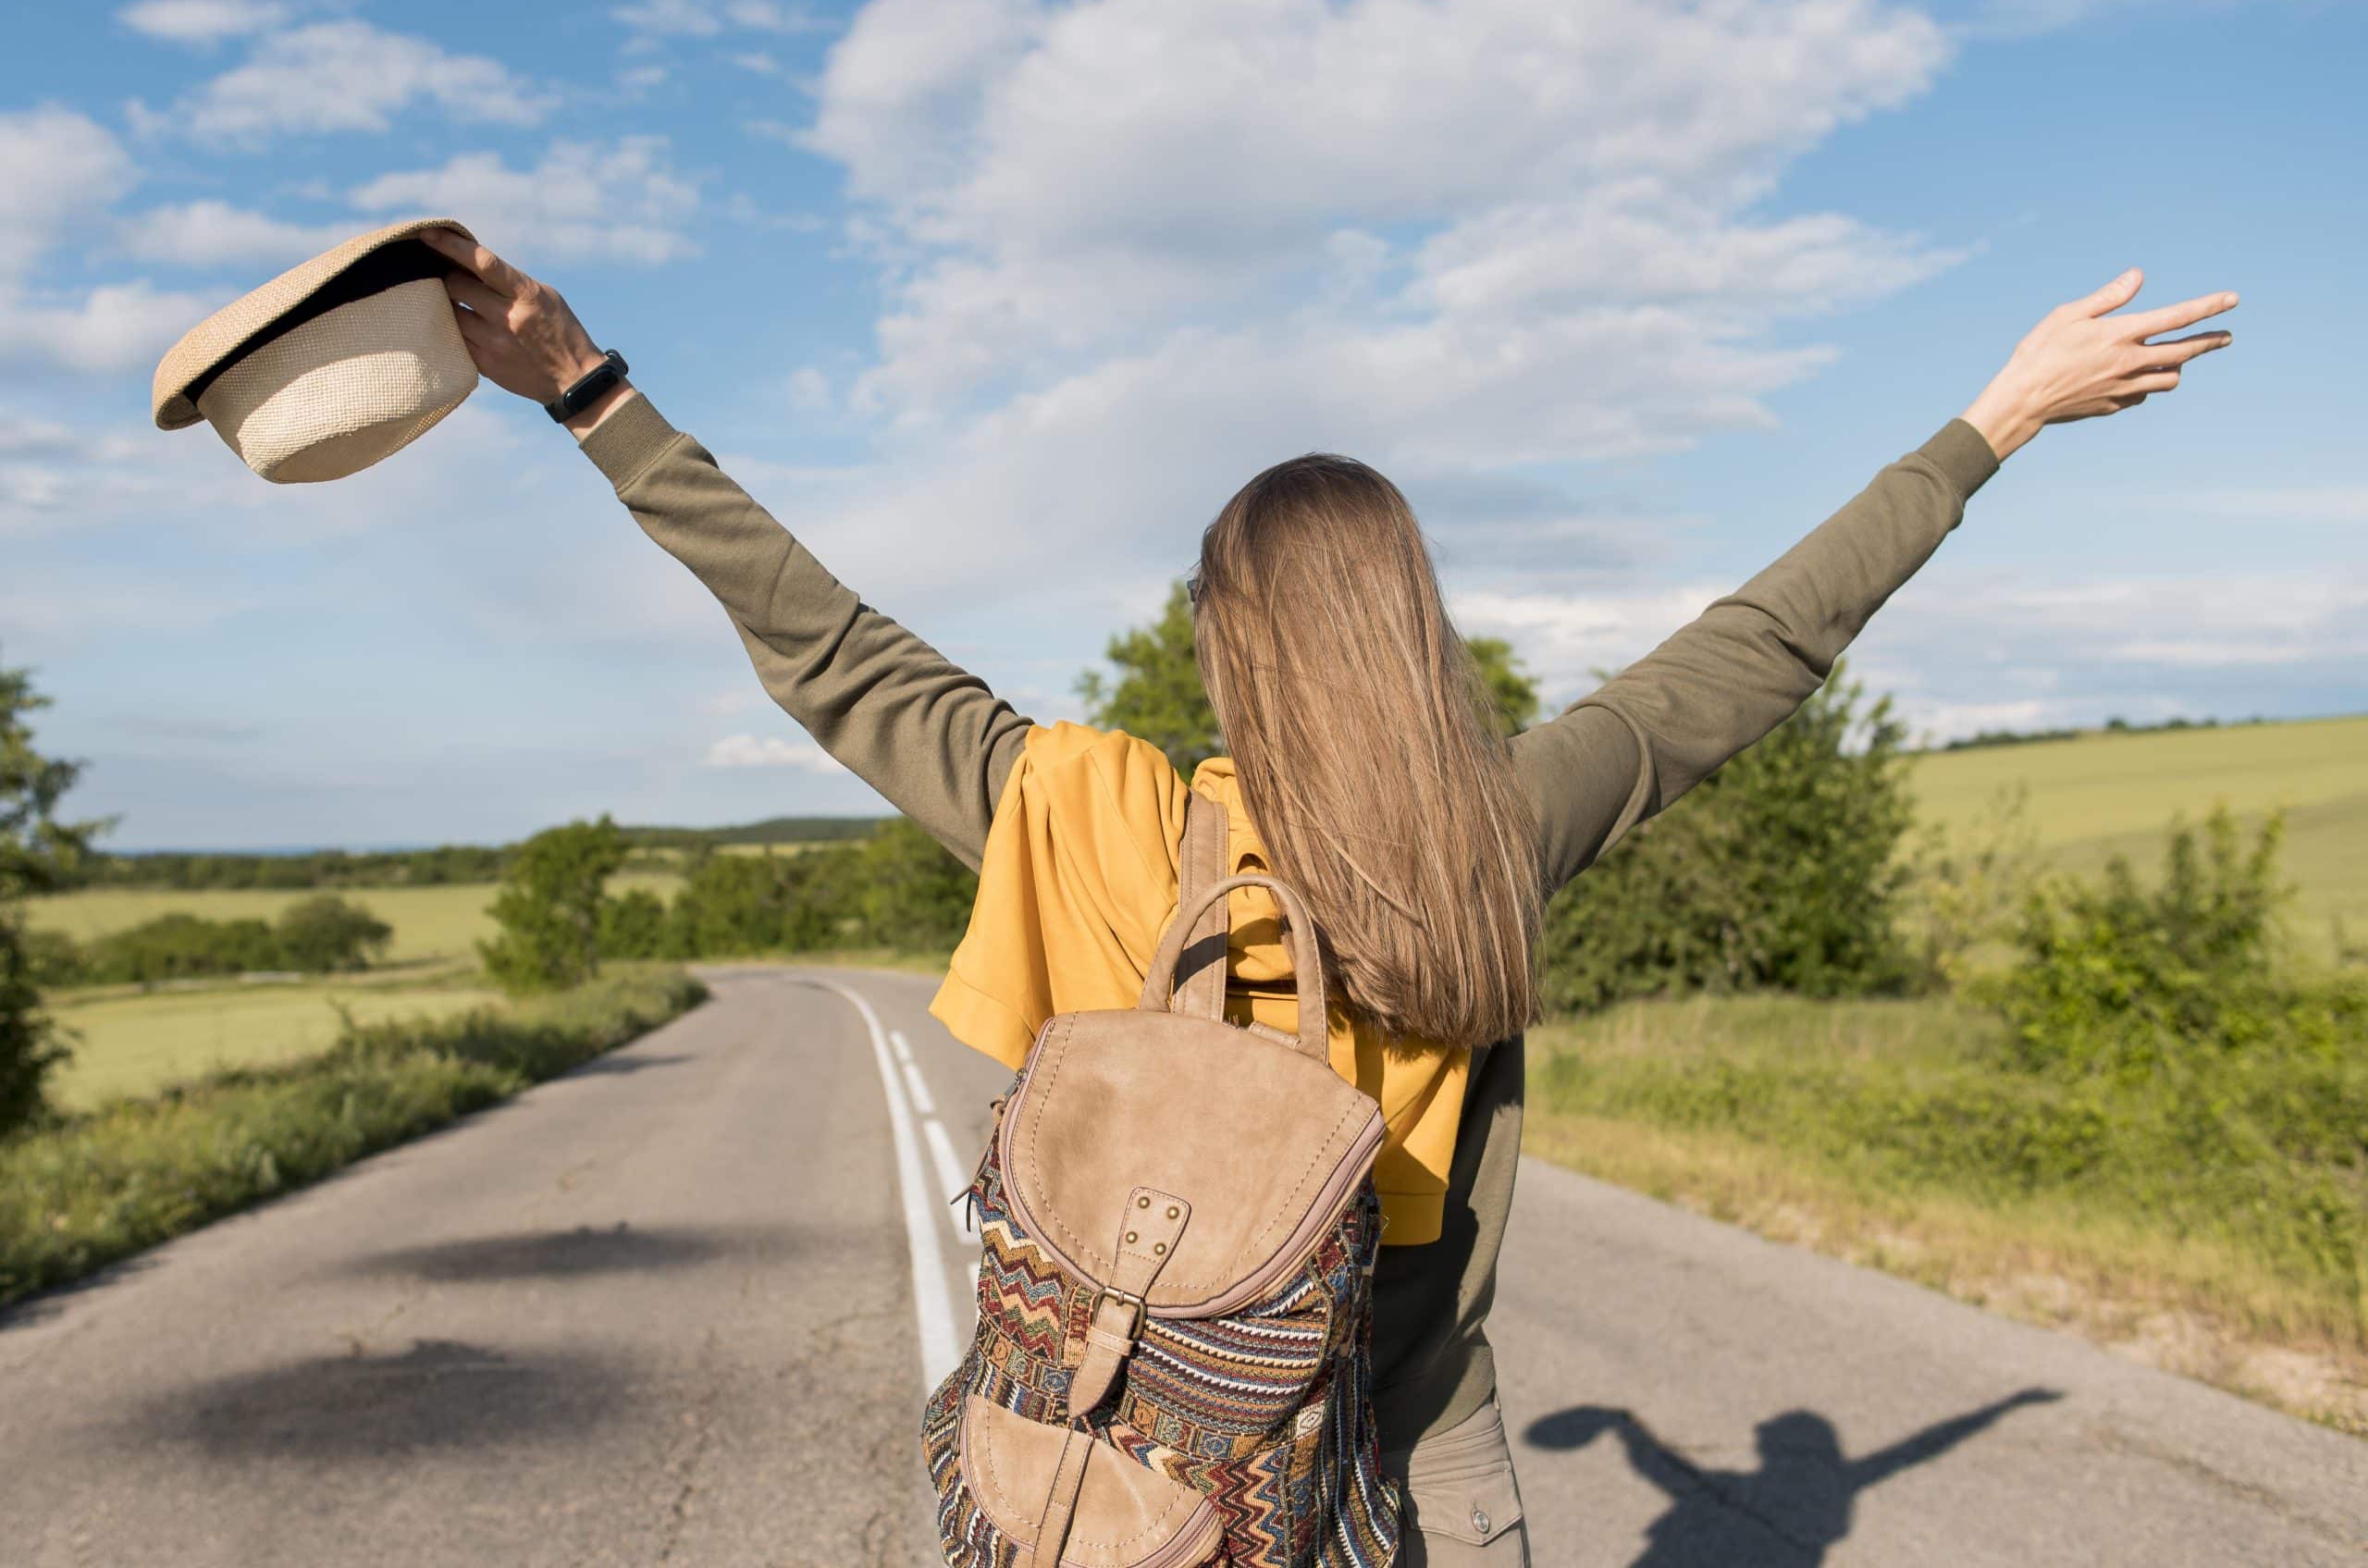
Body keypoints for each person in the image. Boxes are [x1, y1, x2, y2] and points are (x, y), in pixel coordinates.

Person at [418, 224, 2235, 1565]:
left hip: (1138, 1455)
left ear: (1228, 646)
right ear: (1408, 631)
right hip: (1416, 1448)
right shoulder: (1493, 827)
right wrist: (1993, 420)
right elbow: (1760, 645)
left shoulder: (1093, 816)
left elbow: (823, 642)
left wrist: (589, 387)